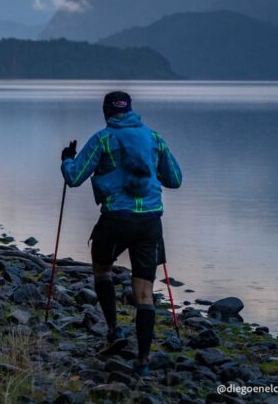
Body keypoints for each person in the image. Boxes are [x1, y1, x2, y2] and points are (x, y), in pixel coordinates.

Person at [60, 91, 182, 376]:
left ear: (106, 112)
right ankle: (142, 361)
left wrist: (67, 159)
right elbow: (175, 179)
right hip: (150, 222)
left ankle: (114, 331)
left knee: (102, 269)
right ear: (130, 110)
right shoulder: (154, 139)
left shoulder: (103, 139)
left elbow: (74, 177)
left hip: (116, 218)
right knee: (144, 293)